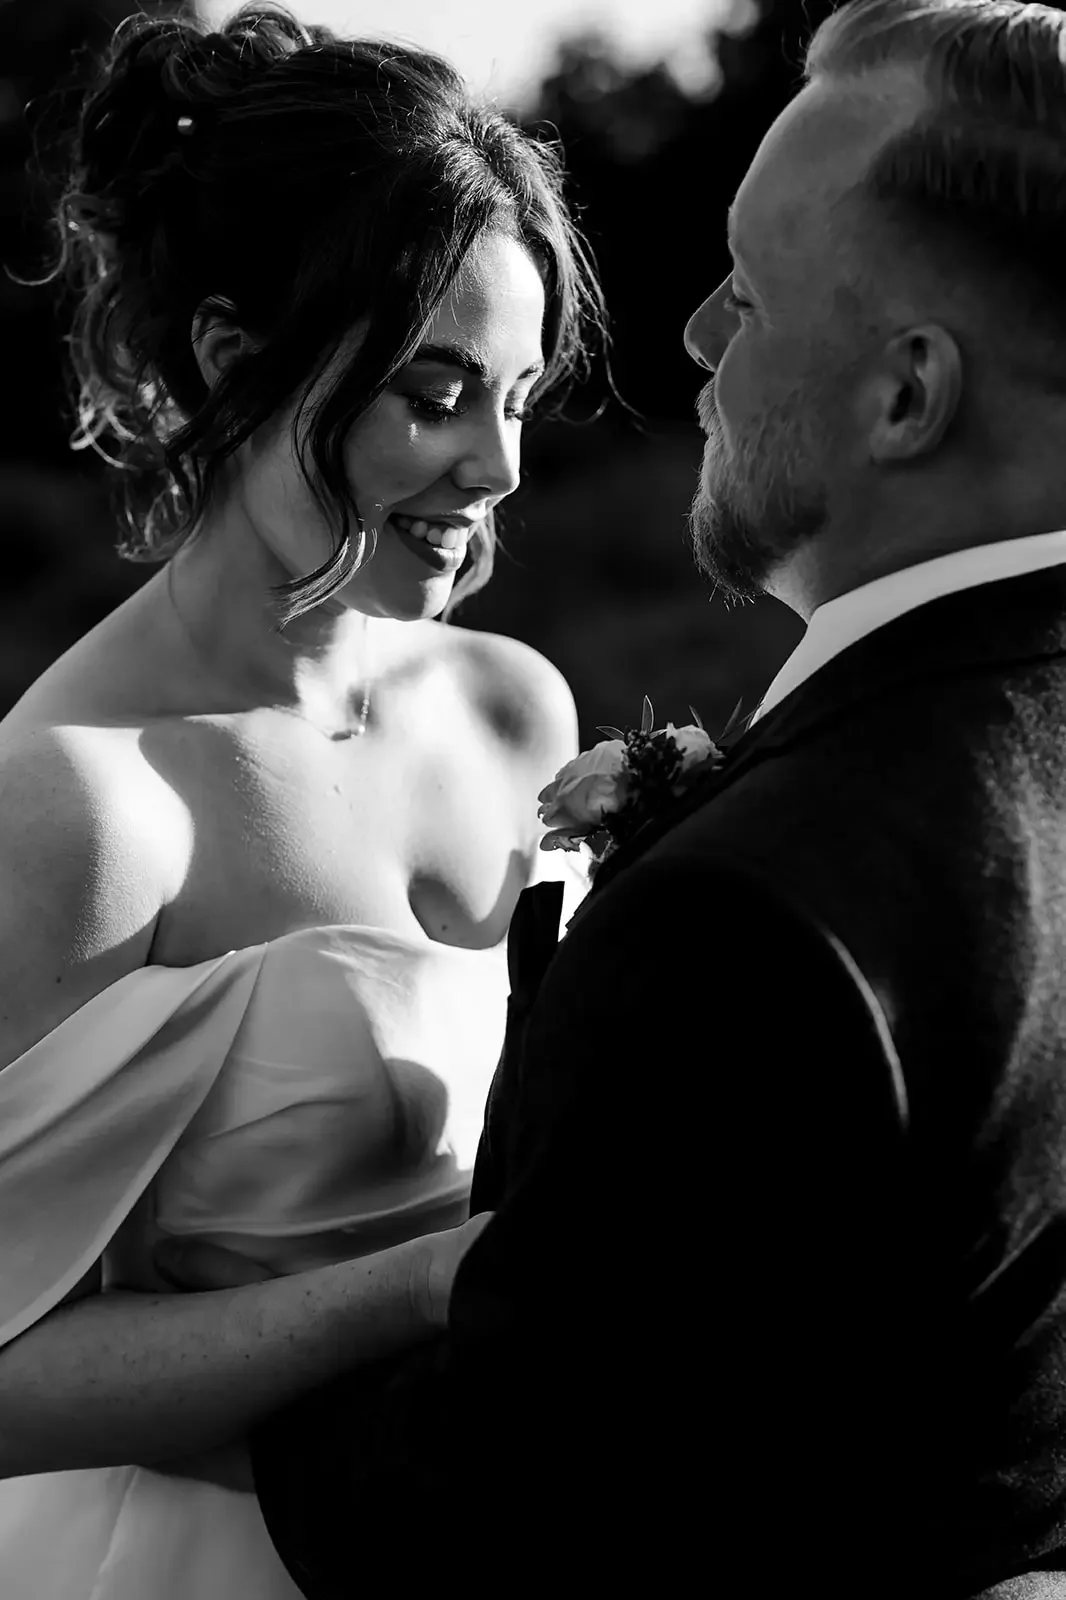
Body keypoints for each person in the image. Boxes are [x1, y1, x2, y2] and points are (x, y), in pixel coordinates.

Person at [235, 1, 1066, 1595]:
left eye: (745, 291)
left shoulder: (759, 912)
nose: (688, 337)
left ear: (905, 395)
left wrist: (185, 1369)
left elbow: (492, 1523)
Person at [0, 6, 600, 1596]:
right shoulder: (84, 802)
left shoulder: (515, 709)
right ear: (230, 357)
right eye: (433, 391)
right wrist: (414, 1294)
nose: (496, 465)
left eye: (518, 395)